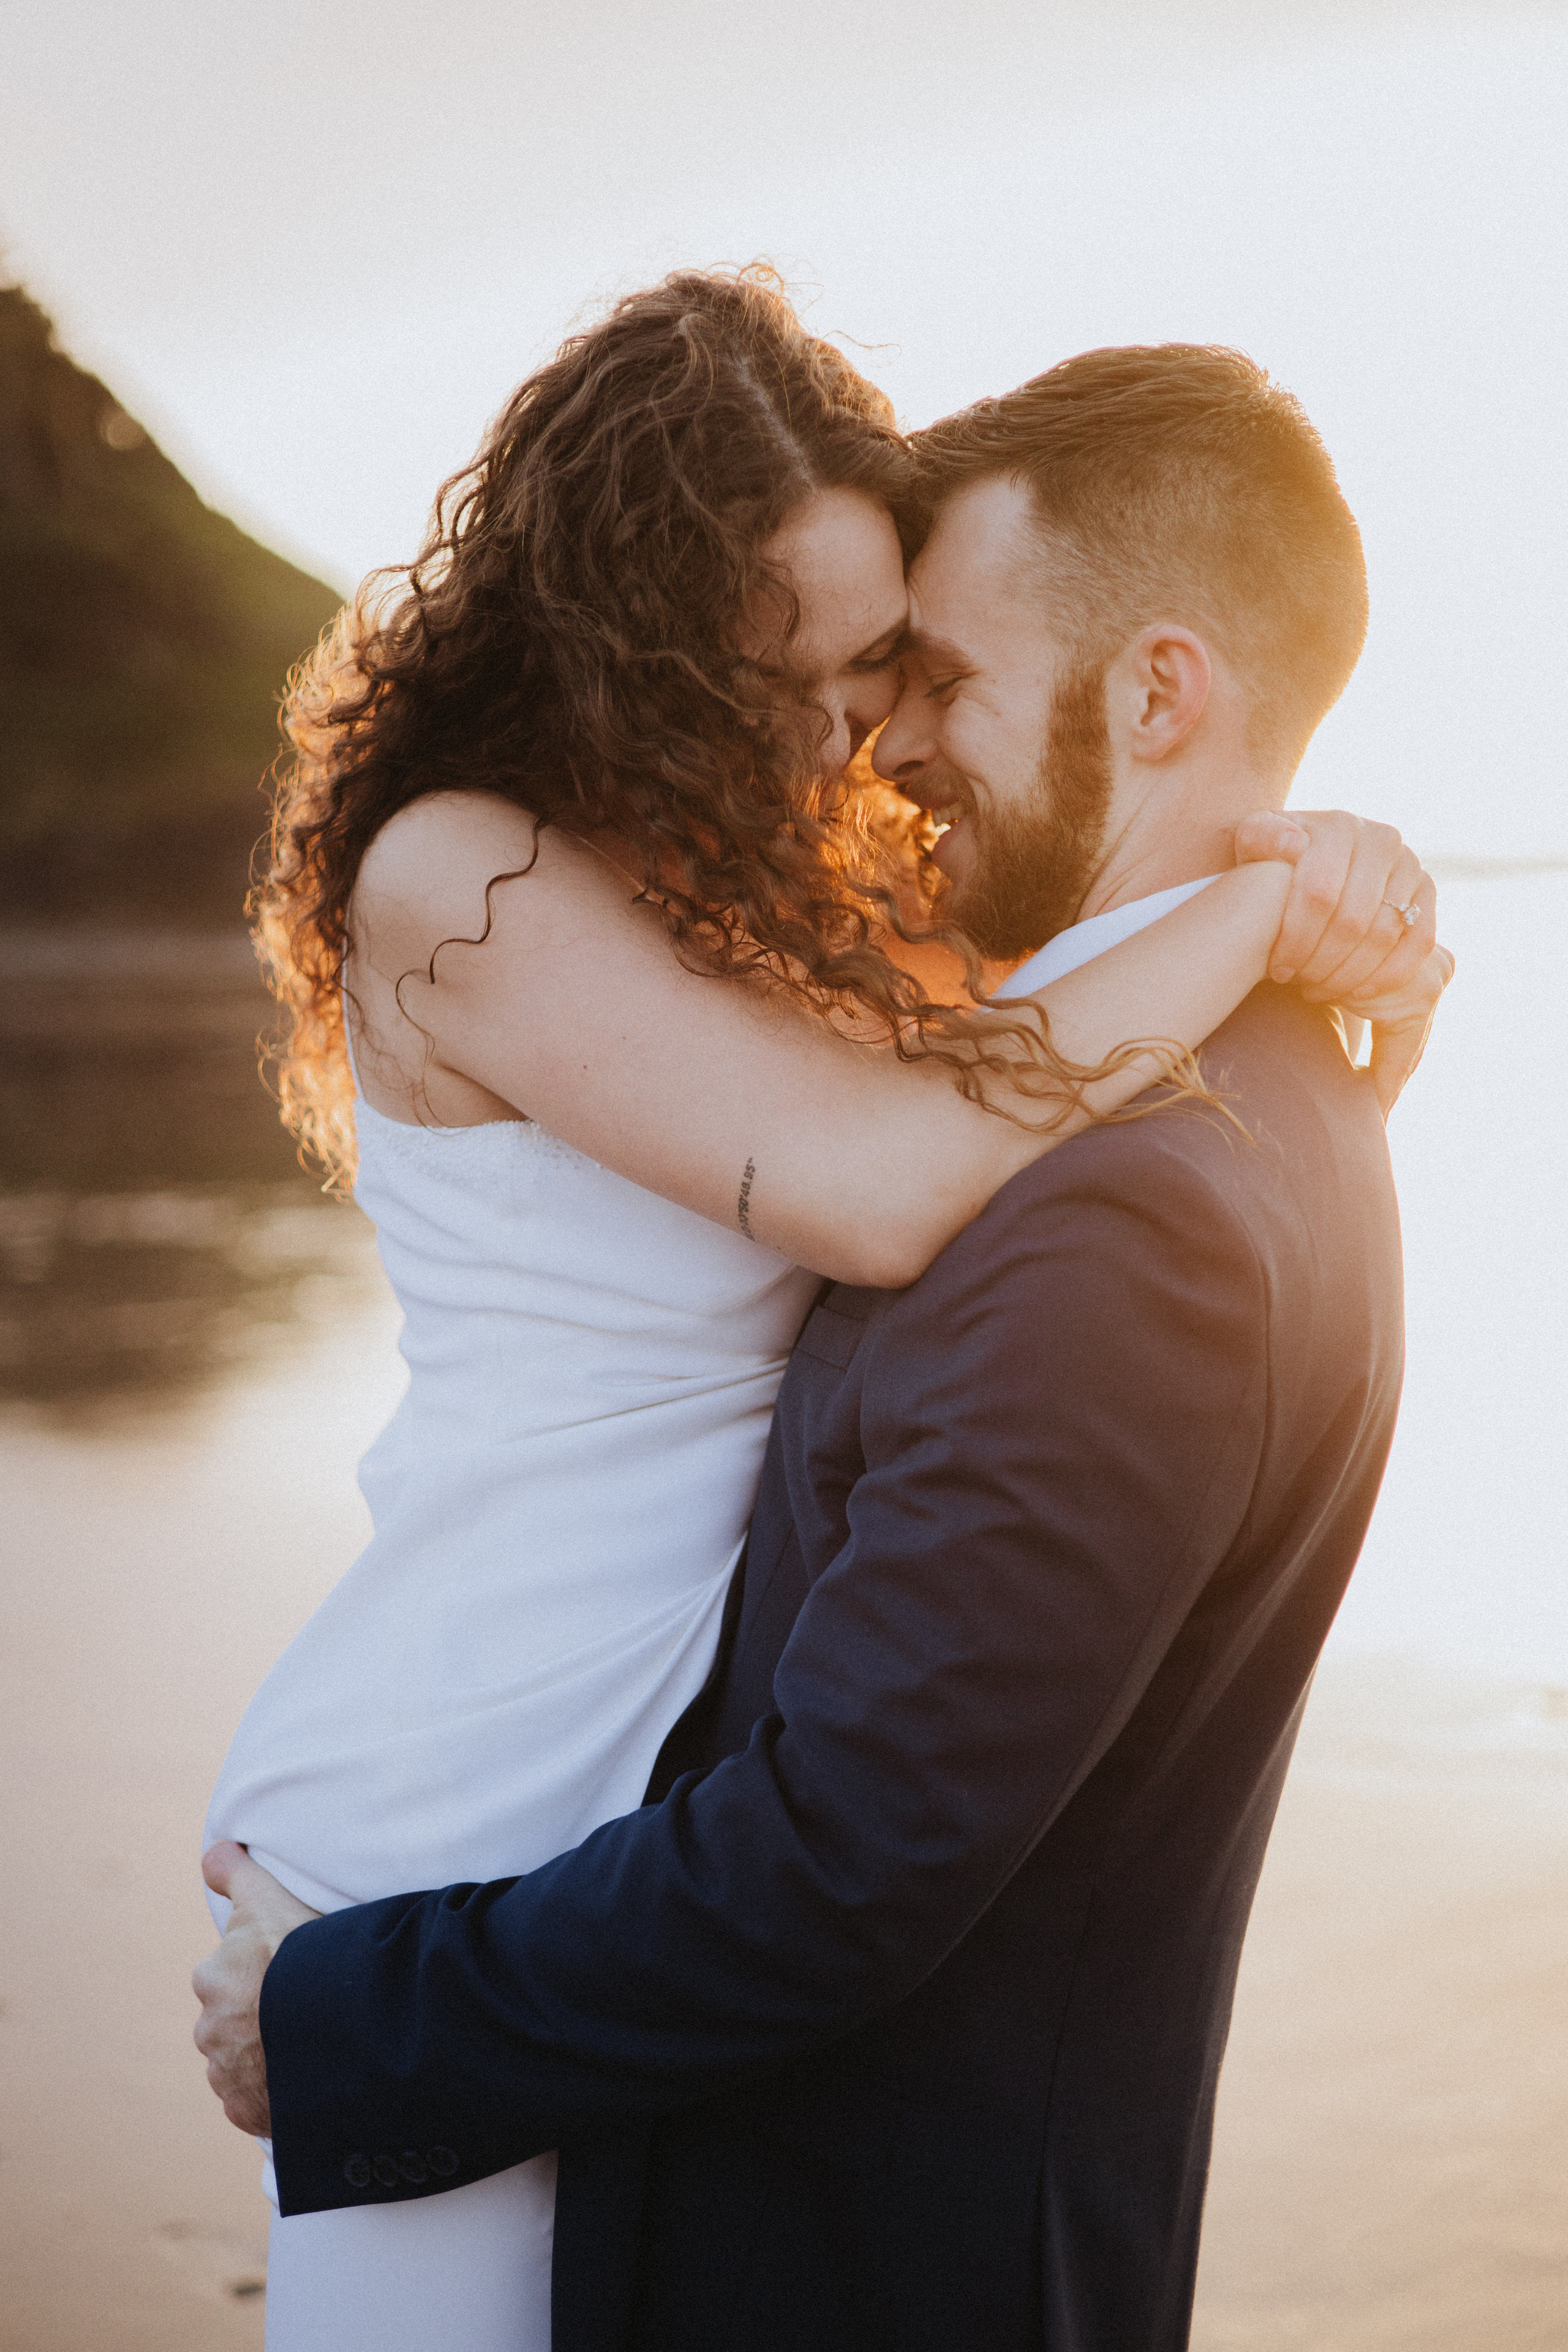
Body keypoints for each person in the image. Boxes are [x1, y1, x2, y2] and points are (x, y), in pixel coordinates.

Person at [195, 289, 1448, 2352]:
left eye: (901, 662)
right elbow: (888, 1180)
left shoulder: (819, 922)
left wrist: (1336, 882)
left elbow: (1033, 1061)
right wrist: (1265, 908)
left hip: (627, 1820)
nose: (858, 734)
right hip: (478, 1781)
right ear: (645, 633)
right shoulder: (470, 878)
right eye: (809, 665)